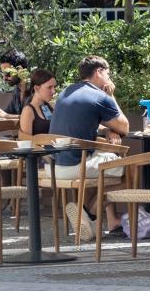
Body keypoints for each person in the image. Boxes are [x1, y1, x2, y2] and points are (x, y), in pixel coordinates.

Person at [49, 55, 131, 240]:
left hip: (55, 164)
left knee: (104, 166)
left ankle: (97, 217)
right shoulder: (100, 96)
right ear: (99, 72)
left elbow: (84, 124)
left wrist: (107, 131)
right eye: (108, 74)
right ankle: (89, 212)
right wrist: (111, 96)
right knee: (129, 170)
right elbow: (124, 127)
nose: (109, 79)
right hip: (76, 165)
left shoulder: (67, 91)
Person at [0, 49, 29, 119]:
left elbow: (33, 118)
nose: (4, 78)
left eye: (7, 74)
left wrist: (6, 116)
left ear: (20, 70)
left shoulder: (35, 89)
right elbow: (8, 113)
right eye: (3, 74)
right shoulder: (17, 91)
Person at [19, 69, 56, 137]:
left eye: (54, 87)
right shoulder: (28, 111)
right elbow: (25, 142)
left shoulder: (51, 106)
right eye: (49, 87)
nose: (53, 91)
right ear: (36, 88)